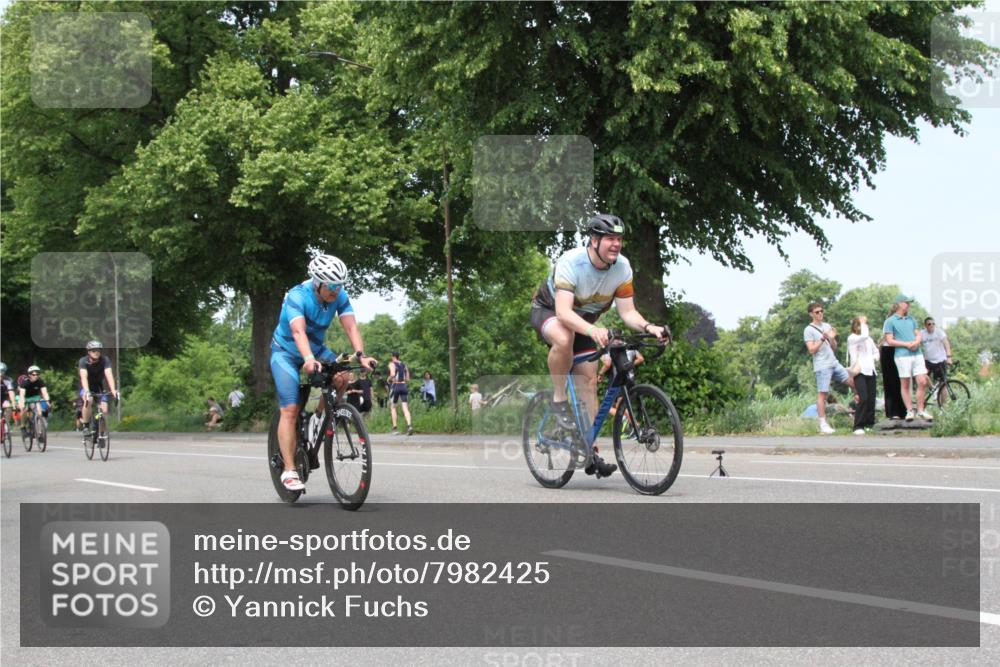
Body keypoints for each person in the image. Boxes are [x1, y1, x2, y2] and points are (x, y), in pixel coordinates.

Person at [529, 214, 670, 479]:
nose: (616, 244)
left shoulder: (622, 268)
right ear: (594, 241)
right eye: (610, 239)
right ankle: (559, 401)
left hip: (583, 323)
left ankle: (588, 449)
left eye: (619, 239)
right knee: (563, 338)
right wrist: (594, 330)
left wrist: (650, 327)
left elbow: (628, 313)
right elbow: (563, 312)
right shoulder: (572, 262)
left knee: (589, 382)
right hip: (550, 311)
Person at [270, 254, 378, 491]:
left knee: (343, 377)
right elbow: (298, 333)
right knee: (289, 408)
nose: (336, 290)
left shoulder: (339, 295)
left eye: (340, 285)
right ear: (317, 282)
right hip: (286, 352)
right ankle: (289, 469)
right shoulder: (297, 296)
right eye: (331, 286)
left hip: (316, 348)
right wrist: (308, 359)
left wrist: (361, 355)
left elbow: (350, 325)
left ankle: (318, 420)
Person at [803, 302, 854, 434]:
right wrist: (823, 338)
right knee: (823, 393)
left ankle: (857, 413)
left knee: (853, 382)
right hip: (822, 365)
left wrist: (831, 339)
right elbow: (811, 350)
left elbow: (834, 347)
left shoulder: (827, 326)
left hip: (833, 362)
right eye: (817, 312)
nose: (820, 314)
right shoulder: (808, 330)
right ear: (811, 314)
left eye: (821, 311)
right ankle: (823, 423)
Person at [883, 294, 932, 421]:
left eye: (909, 303)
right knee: (905, 384)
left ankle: (920, 410)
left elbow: (918, 335)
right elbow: (889, 340)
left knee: (922, 381)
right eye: (906, 302)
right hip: (902, 356)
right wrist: (906, 344)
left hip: (917, 353)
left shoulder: (912, 319)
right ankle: (910, 410)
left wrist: (916, 342)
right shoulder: (890, 321)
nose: (908, 305)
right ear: (898, 304)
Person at [78, 340, 119, 439]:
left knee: (104, 410)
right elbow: (84, 377)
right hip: (86, 387)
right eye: (93, 350)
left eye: (98, 350)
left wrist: (113, 390)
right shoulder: (83, 361)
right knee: (89, 400)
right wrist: (87, 392)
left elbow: (109, 375)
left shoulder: (105, 360)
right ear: (88, 352)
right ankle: (86, 426)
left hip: (99, 388)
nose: (96, 352)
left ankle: (101, 434)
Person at [847, 316, 879, 434]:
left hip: (870, 370)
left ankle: (870, 423)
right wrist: (862, 322)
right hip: (859, 371)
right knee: (863, 397)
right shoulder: (853, 338)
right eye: (858, 324)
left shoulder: (869, 339)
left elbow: (876, 352)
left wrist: (874, 358)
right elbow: (864, 335)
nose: (861, 327)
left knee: (871, 398)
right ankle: (858, 425)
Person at [878, 303, 906, 420]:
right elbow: (890, 340)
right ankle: (893, 411)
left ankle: (902, 410)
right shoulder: (889, 322)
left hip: (899, 351)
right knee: (891, 382)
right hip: (889, 351)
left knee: (902, 382)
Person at [17, 365, 52, 434]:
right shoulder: (25, 383)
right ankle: (23, 426)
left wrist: (48, 401)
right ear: (29, 375)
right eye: (34, 374)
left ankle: (40, 432)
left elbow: (44, 393)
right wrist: (22, 403)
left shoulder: (40, 382)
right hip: (26, 397)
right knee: (24, 409)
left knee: (39, 412)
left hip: (35, 397)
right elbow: (22, 395)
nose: (36, 376)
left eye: (37, 374)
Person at [920, 317, 953, 385]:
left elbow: (946, 344)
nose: (931, 325)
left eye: (933, 324)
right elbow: (916, 344)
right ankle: (933, 389)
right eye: (929, 324)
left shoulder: (939, 332)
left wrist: (949, 357)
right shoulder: (922, 333)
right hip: (928, 361)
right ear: (925, 325)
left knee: (943, 383)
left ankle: (940, 393)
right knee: (922, 377)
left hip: (940, 361)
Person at [387, 352, 413, 435]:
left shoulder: (392, 364)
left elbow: (392, 374)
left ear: (393, 357)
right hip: (404, 386)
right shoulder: (404, 365)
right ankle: (409, 426)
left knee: (393, 407)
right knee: (405, 407)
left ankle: (395, 429)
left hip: (396, 386)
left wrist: (388, 379)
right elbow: (408, 379)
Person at [1, 363, 16, 428]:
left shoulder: (8, 380)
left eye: (2, 371)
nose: (1, 374)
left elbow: (11, 392)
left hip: (3, 399)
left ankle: (6, 423)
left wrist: (13, 403)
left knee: (8, 407)